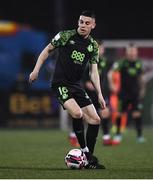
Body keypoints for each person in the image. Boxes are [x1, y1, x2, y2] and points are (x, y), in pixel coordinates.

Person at [29, 10, 106, 169]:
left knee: (95, 119)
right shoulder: (65, 36)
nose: (83, 25)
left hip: (76, 85)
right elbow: (46, 51)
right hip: (60, 83)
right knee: (77, 113)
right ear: (78, 22)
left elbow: (93, 72)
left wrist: (99, 94)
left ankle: (87, 159)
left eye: (86, 23)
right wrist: (36, 70)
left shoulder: (92, 45)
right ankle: (86, 152)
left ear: (93, 25)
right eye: (81, 22)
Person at [108, 43, 146, 144]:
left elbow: (141, 77)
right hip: (123, 93)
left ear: (136, 52)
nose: (132, 53)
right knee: (120, 113)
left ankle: (140, 136)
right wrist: (112, 84)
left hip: (135, 93)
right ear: (127, 52)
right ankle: (118, 135)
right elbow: (110, 73)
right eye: (130, 51)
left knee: (136, 114)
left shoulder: (139, 63)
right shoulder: (122, 63)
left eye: (134, 51)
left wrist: (142, 88)